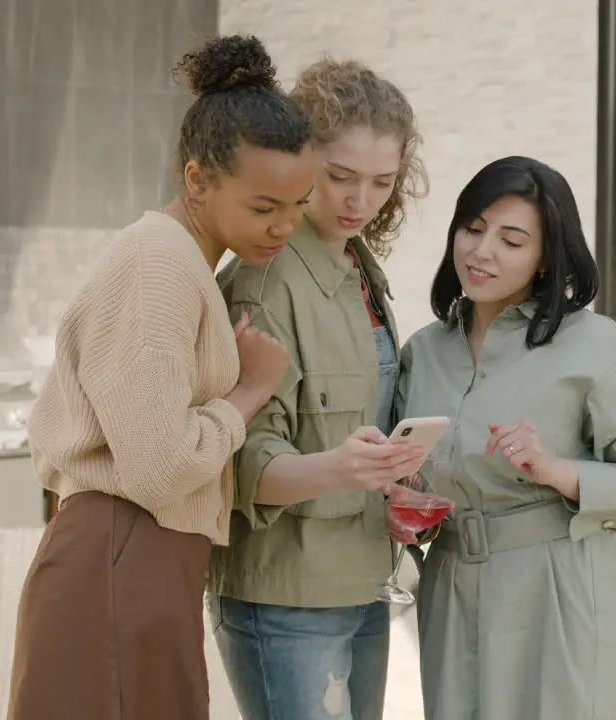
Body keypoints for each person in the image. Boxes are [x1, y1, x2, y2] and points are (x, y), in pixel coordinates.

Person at [8, 35, 313, 719]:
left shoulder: (181, 264)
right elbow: (157, 467)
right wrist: (248, 393)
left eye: (299, 203)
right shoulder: (157, 266)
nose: (285, 226)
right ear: (197, 178)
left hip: (138, 561)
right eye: (264, 207)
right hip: (119, 556)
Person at [396, 156, 616, 720]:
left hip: (562, 589)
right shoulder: (424, 352)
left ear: (546, 256)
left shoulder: (596, 346)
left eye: (511, 239)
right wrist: (399, 495)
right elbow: (404, 471)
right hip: (451, 585)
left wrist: (555, 469)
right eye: (473, 229)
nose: (482, 252)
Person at [208, 58, 429, 720]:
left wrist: (396, 476)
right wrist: (343, 467)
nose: (360, 201)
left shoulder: (360, 267)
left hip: (366, 579)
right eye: (340, 177)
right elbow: (238, 462)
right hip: (286, 599)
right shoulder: (264, 281)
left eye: (382, 183)